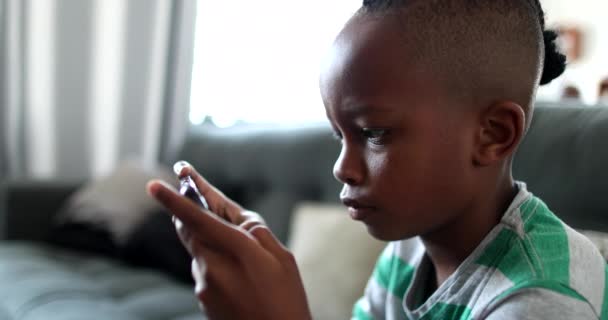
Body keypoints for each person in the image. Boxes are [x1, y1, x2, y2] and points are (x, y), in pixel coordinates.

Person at [147, 0, 608, 319]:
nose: (341, 168)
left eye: (373, 133)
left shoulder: (542, 300)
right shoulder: (411, 247)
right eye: (339, 135)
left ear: (492, 135)